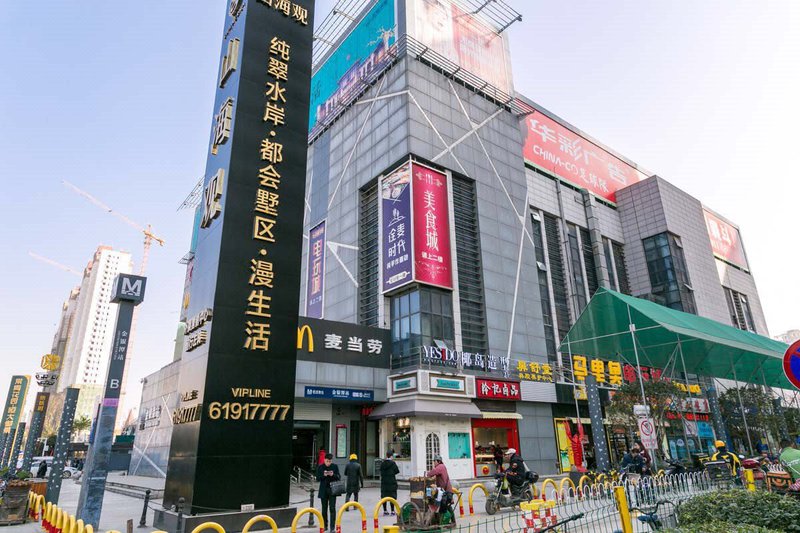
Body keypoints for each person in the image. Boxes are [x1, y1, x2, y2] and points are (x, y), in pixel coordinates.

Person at [316, 453, 340, 532]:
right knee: (324, 509)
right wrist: (324, 475)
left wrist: (333, 475)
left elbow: (338, 477)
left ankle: (332, 527)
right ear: (324, 460)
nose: (328, 463)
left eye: (330, 461)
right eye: (327, 461)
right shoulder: (320, 467)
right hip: (323, 490)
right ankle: (325, 525)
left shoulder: (334, 466)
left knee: (332, 508)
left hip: (332, 490)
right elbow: (318, 478)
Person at [380, 452, 400, 516]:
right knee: (392, 496)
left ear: (386, 456)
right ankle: (392, 511)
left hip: (384, 482)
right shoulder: (393, 463)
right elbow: (397, 471)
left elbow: (381, 471)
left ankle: (385, 511)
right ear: (391, 456)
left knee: (384, 496)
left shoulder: (383, 463)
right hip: (392, 482)